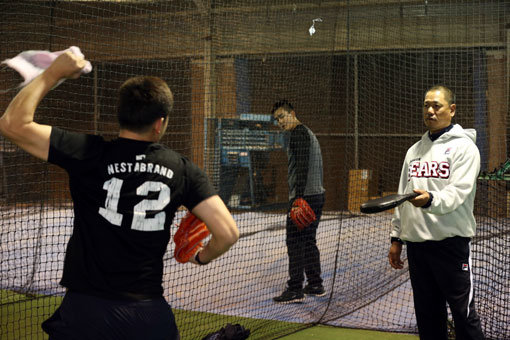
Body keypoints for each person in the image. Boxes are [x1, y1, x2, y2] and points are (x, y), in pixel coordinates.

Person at [0, 51, 239, 340]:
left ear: (121, 115)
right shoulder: (183, 169)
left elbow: (12, 124)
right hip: (146, 315)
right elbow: (227, 233)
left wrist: (54, 74)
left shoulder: (88, 152)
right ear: (159, 123)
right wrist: (202, 257)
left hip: (84, 313)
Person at [388, 85, 484, 339]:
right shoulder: (414, 151)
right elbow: (402, 194)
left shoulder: (465, 149)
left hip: (450, 246)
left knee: (464, 317)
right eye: (426, 105)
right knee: (428, 317)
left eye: (437, 106)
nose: (430, 111)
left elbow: (458, 193)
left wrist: (430, 200)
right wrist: (396, 238)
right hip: (417, 247)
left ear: (451, 110)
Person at [271, 100, 326, 304]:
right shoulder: (307, 133)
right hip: (317, 195)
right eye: (277, 119)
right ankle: (315, 284)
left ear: (292, 113)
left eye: (282, 116)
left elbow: (302, 165)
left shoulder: (298, 134)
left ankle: (295, 289)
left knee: (294, 242)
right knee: (308, 241)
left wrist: (298, 198)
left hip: (305, 197)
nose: (280, 122)